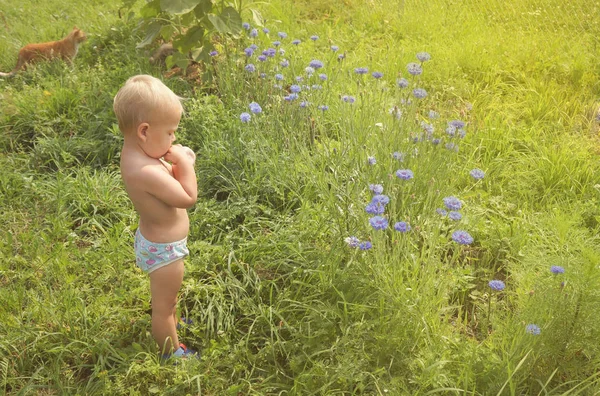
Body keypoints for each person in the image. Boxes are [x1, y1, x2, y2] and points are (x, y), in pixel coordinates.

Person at [113, 74, 198, 359]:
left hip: (157, 241)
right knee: (163, 306)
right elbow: (187, 197)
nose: (173, 138)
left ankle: (171, 322)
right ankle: (171, 352)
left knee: (167, 299)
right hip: (165, 251)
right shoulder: (147, 170)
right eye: (170, 132)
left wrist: (175, 164)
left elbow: (167, 188)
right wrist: (186, 164)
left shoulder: (138, 156)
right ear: (144, 131)